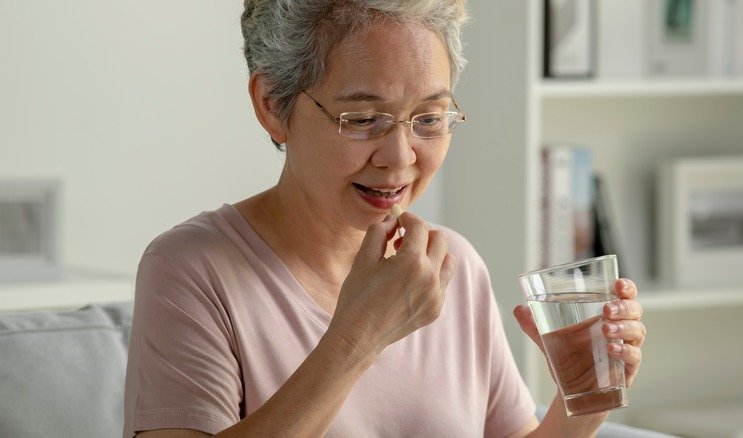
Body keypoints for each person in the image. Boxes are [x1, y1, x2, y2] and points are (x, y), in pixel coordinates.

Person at [123, 1, 647, 437]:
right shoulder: (191, 269)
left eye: (429, 119)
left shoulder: (452, 265)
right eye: (363, 119)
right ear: (272, 105)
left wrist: (584, 399)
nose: (400, 158)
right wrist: (359, 335)